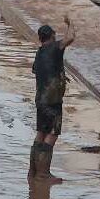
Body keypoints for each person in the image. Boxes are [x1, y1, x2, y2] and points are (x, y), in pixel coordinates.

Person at [29, 16, 75, 181]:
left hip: (40, 100)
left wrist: (59, 75)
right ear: (52, 37)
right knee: (52, 134)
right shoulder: (55, 47)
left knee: (41, 132)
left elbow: (37, 70)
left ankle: (33, 171)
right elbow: (70, 38)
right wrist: (70, 24)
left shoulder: (39, 53)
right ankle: (43, 173)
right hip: (53, 101)